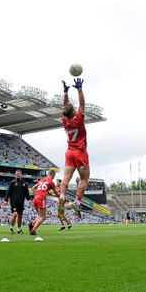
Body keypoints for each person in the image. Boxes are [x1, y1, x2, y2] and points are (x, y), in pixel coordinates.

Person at [58, 78, 88, 220]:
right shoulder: (78, 119)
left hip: (69, 152)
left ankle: (62, 197)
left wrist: (65, 92)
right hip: (80, 152)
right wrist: (80, 89)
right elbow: (82, 104)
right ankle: (77, 202)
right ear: (74, 111)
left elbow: (66, 108)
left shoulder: (65, 120)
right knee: (84, 179)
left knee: (66, 178)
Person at [29, 169, 60, 235]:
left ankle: (32, 224)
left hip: (36, 198)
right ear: (53, 175)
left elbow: (33, 188)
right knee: (43, 217)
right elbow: (57, 193)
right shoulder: (51, 182)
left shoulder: (41, 180)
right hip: (41, 198)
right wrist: (61, 196)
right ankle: (33, 230)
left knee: (41, 216)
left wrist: (36, 195)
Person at [3, 170, 30, 234]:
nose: (17, 175)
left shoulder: (24, 183)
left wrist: (29, 199)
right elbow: (8, 191)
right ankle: (11, 228)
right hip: (13, 201)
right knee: (14, 214)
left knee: (20, 216)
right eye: (16, 174)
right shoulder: (12, 182)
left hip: (21, 201)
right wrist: (6, 200)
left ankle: (19, 229)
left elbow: (27, 192)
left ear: (21, 174)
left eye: (19, 173)